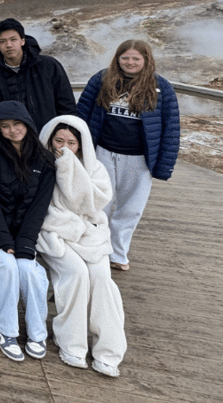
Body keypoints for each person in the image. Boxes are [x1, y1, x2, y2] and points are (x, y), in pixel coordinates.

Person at [77, 39, 180, 272]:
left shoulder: (161, 88)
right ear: (118, 58)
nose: (130, 62)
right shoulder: (102, 79)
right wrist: (79, 149)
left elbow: (171, 128)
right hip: (102, 152)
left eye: (136, 58)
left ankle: (118, 253)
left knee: (131, 208)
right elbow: (82, 113)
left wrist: (164, 165)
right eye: (125, 57)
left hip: (139, 159)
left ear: (146, 60)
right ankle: (96, 249)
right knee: (99, 203)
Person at [37, 115, 126, 378]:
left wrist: (70, 167)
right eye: (59, 140)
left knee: (100, 277)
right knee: (76, 273)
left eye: (72, 143)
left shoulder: (94, 167)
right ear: (50, 139)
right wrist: (63, 165)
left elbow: (90, 204)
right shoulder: (41, 162)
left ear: (81, 144)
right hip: (53, 230)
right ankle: (70, 342)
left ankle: (109, 350)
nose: (64, 146)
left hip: (89, 232)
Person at [0, 101, 56, 362]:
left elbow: (39, 207)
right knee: (7, 267)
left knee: (29, 270)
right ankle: (5, 329)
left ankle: (36, 332)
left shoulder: (44, 160)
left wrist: (26, 242)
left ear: (27, 124)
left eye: (17, 124)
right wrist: (3, 238)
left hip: (23, 231)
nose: (12, 130)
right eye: (5, 126)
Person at [0, 18, 77, 130]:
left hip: (47, 135)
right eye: (2, 41)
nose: (9, 45)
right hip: (11, 138)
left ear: (22, 40)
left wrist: (64, 131)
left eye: (13, 39)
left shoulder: (48, 66)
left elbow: (67, 104)